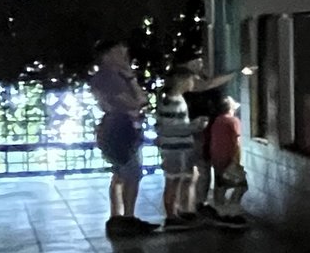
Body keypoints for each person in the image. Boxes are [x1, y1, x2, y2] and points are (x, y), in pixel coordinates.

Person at [154, 58, 241, 228]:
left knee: (183, 178)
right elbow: (170, 129)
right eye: (191, 79)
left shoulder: (176, 100)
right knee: (173, 181)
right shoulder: (173, 102)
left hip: (180, 147)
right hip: (175, 149)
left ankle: (181, 212)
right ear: (182, 81)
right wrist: (193, 127)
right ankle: (172, 216)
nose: (194, 83)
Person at [87, 40, 154, 238]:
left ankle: (118, 216)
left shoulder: (109, 77)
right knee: (131, 174)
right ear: (107, 55)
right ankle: (127, 218)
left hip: (116, 127)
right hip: (120, 129)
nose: (124, 54)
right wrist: (132, 81)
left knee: (119, 174)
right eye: (119, 51)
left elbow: (139, 101)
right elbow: (137, 101)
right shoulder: (109, 79)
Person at [194, 86, 249, 231]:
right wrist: (237, 159)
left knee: (220, 184)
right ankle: (233, 210)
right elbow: (237, 141)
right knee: (241, 186)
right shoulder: (233, 121)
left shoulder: (217, 120)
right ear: (230, 108)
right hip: (229, 158)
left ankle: (220, 209)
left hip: (216, 157)